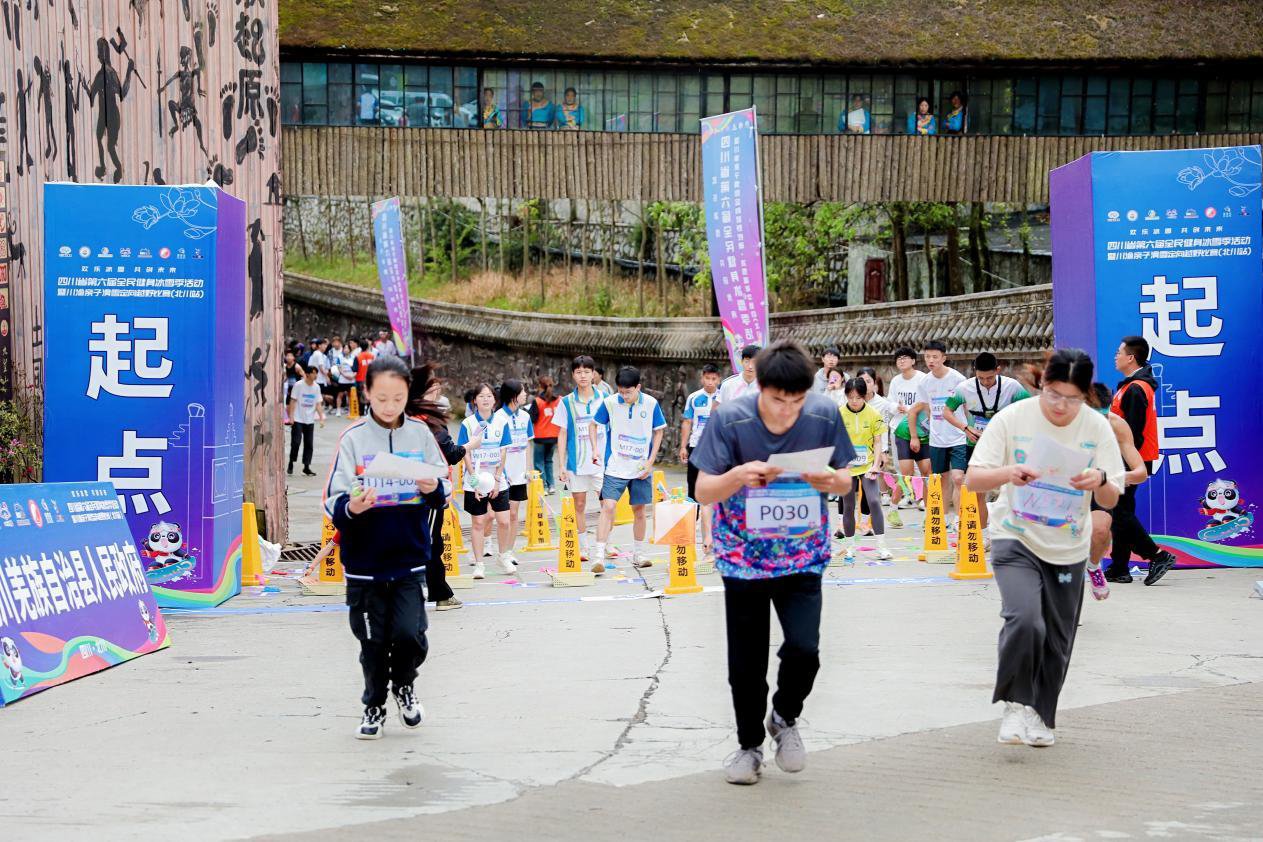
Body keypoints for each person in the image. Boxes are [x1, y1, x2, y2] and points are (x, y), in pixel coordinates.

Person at [691, 340, 855, 785]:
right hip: (743, 558)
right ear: (759, 386)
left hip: (803, 555)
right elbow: (703, 491)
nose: (787, 411)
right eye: (778, 400)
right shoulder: (730, 419)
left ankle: (784, 717)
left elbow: (844, 481)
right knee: (745, 662)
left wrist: (830, 479)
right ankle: (748, 747)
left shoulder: (822, 414)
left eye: (796, 401)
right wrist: (737, 476)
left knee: (805, 648)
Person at [964, 349, 1124, 748]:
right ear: (1042, 384)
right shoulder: (1013, 418)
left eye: (1072, 398)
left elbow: (1111, 498)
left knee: (1057, 635)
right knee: (1025, 618)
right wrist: (1009, 473)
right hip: (1015, 536)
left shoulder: (1096, 427)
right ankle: (1015, 704)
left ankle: (1041, 714)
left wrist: (1098, 478)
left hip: (1068, 545)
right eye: (1053, 394)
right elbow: (973, 479)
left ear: (1085, 395)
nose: (1061, 406)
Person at [324, 356, 445, 739]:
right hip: (364, 564)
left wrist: (433, 488)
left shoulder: (421, 436)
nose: (390, 407)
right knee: (373, 642)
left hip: (409, 558)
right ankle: (374, 705)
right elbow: (333, 497)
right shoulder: (353, 439)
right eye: (381, 399)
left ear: (407, 394)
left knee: (409, 634)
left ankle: (405, 685)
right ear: (367, 395)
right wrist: (352, 507)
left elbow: (443, 487)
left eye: (397, 398)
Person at [1108, 335, 1178, 586]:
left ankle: (1156, 555)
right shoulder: (1131, 385)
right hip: (1129, 457)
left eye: (1118, 352)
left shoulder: (1136, 388)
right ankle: (1119, 568)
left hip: (1131, 459)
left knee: (1118, 511)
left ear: (1131, 357)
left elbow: (1133, 433)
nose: (1115, 356)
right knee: (1121, 511)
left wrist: (1126, 462)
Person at [942, 352, 1031, 535]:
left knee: (1014, 487)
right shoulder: (964, 388)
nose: (985, 382)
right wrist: (965, 428)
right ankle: (983, 535)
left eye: (990, 377)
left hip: (1006, 444)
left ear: (998, 370)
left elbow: (1029, 410)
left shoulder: (1012, 386)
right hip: (976, 444)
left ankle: (1012, 532)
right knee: (976, 491)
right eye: (980, 378)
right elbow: (947, 412)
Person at [407, 365, 473, 611]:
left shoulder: (406, 417)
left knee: (420, 539)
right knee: (430, 542)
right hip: (428, 488)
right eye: (432, 389)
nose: (437, 393)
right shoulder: (428, 420)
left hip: (405, 488)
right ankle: (438, 593)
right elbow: (450, 452)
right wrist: (470, 446)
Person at [591, 366, 666, 569]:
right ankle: (598, 555)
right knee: (608, 507)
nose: (624, 396)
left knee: (639, 510)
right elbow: (593, 424)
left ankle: (639, 554)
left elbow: (658, 432)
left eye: (628, 392)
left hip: (640, 467)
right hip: (615, 465)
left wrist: (650, 462)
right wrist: (595, 450)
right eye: (621, 391)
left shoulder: (651, 404)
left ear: (638, 387)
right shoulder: (610, 403)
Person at [1087, 383, 1150, 602]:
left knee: (1101, 530)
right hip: (1067, 487)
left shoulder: (1117, 425)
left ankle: (1094, 567)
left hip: (1099, 486)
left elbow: (1140, 472)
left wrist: (1115, 476)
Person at [556, 356, 608, 572]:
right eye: (579, 372)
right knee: (579, 505)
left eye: (587, 372)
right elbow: (562, 433)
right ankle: (583, 547)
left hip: (601, 463)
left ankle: (603, 545)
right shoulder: (566, 402)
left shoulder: (605, 398)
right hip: (576, 463)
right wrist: (561, 465)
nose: (583, 376)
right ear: (573, 375)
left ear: (593, 373)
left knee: (607, 504)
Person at [908, 340, 967, 525]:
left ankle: (959, 518)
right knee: (941, 479)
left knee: (958, 478)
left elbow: (966, 408)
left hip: (958, 437)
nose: (931, 360)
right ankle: (943, 518)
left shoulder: (958, 380)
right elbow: (928, 410)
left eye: (935, 357)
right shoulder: (924, 382)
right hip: (937, 439)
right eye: (927, 357)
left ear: (944, 358)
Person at [837, 378, 893, 561]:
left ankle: (882, 546)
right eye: (850, 397)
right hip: (847, 466)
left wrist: (876, 465)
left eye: (858, 397)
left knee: (874, 501)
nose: (854, 401)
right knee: (848, 506)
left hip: (868, 465)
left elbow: (878, 442)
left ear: (865, 397)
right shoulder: (839, 414)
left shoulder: (873, 414)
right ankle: (850, 546)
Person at [456, 384, 507, 579]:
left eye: (489, 396)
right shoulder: (467, 424)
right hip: (474, 479)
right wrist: (474, 480)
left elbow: (503, 451)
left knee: (503, 520)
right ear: (474, 401)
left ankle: (503, 556)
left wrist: (497, 479)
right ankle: (479, 564)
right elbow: (464, 451)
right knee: (478, 522)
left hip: (496, 478)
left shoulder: (502, 422)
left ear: (494, 400)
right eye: (481, 396)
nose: (486, 399)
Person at [679, 363, 722, 556]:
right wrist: (683, 446)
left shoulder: (724, 397)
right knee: (694, 489)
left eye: (714, 379)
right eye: (708, 378)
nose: (711, 382)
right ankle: (693, 529)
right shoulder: (693, 398)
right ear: (702, 378)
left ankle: (716, 534)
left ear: (719, 379)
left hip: (719, 448)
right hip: (697, 446)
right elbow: (687, 422)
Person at [491, 379, 534, 570]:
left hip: (519, 474)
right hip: (502, 475)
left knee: (515, 514)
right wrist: (501, 472)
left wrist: (528, 470)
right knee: (497, 516)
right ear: (513, 396)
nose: (526, 394)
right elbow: (497, 448)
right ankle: (487, 546)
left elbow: (527, 445)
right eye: (523, 391)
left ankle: (508, 551)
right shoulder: (498, 417)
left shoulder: (525, 416)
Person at [857, 367, 903, 530]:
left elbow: (895, 409)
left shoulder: (881, 403)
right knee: (856, 491)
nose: (865, 385)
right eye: (862, 381)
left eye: (868, 381)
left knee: (871, 489)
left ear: (874, 383)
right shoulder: (853, 401)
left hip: (877, 451)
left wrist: (902, 407)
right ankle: (858, 521)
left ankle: (870, 521)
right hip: (857, 452)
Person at [888, 348, 929, 503]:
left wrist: (912, 410)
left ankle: (921, 500)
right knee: (904, 469)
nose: (902, 361)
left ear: (913, 361)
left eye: (905, 358)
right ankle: (906, 498)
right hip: (899, 427)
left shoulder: (923, 379)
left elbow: (926, 403)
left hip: (920, 429)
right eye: (899, 359)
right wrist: (896, 408)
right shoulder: (895, 381)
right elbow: (890, 401)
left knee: (923, 469)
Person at [287, 365, 324, 476]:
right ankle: (291, 462)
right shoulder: (298, 385)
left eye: (316, 373)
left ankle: (306, 466)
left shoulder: (316, 387)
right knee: (296, 442)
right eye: (313, 373)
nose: (315, 375)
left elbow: (318, 403)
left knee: (309, 444)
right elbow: (293, 401)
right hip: (298, 419)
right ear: (307, 374)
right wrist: (291, 417)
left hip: (310, 420)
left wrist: (321, 418)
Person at [528, 376, 561, 494]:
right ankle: (551, 485)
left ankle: (543, 487)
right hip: (554, 436)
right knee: (549, 460)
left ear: (540, 386)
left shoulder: (537, 401)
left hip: (540, 437)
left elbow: (532, 418)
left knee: (538, 462)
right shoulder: (559, 400)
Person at [329, 336, 356, 416]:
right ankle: (338, 410)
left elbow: (355, 368)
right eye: (344, 348)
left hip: (351, 379)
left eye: (347, 348)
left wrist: (352, 376)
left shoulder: (354, 357)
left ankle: (350, 410)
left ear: (350, 350)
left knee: (350, 395)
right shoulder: (339, 358)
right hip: (342, 379)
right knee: (340, 394)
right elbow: (338, 367)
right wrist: (344, 374)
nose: (346, 350)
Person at [307, 338, 332, 411]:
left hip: (317, 379)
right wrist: (327, 377)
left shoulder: (315, 354)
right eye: (324, 345)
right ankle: (317, 412)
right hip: (319, 379)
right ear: (319, 346)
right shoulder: (319, 354)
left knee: (318, 396)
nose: (325, 346)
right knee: (319, 397)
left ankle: (318, 411)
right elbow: (321, 368)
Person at [355, 338, 376, 409]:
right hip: (370, 379)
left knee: (361, 395)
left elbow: (354, 369)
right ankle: (369, 411)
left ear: (360, 347)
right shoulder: (372, 356)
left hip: (360, 379)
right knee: (370, 395)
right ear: (367, 347)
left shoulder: (358, 356)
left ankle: (361, 412)